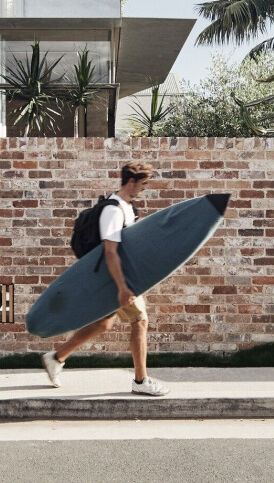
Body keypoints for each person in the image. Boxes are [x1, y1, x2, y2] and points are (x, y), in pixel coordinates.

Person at [40, 160, 170, 396]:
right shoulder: (112, 210)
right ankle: (141, 381)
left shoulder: (129, 208)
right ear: (131, 182)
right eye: (143, 184)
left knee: (103, 322)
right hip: (112, 277)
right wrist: (122, 287)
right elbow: (110, 251)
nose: (144, 188)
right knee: (139, 320)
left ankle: (57, 357)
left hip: (121, 276)